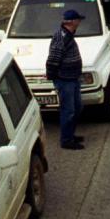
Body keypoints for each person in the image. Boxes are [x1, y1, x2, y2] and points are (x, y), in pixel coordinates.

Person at [45, 8, 85, 150]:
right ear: (72, 22)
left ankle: (70, 134)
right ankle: (66, 140)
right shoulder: (61, 37)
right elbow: (53, 59)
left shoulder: (68, 34)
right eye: (78, 20)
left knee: (77, 107)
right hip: (65, 80)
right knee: (68, 111)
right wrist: (53, 77)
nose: (79, 22)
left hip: (72, 78)